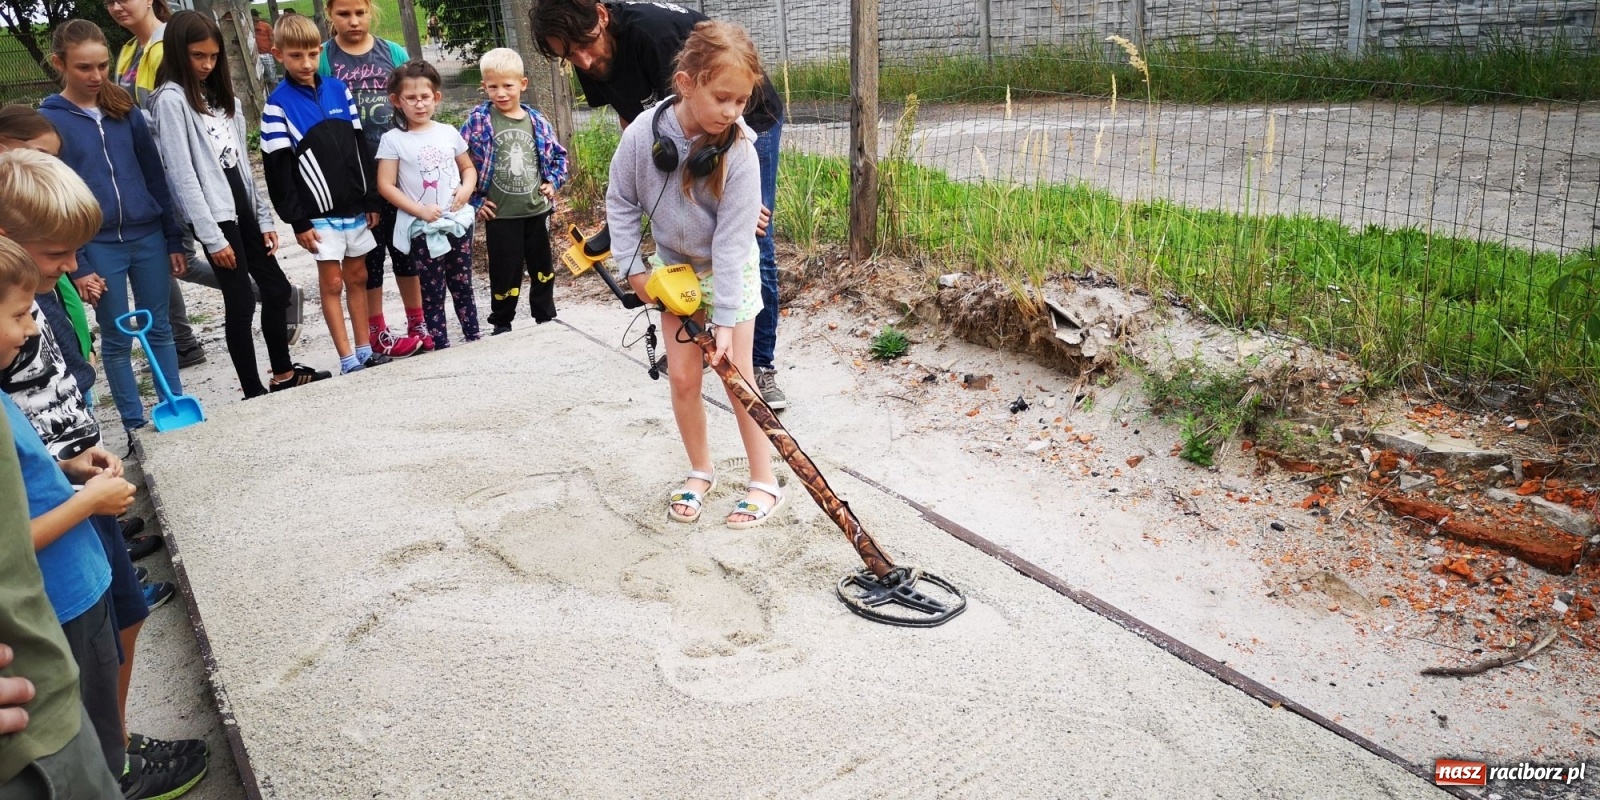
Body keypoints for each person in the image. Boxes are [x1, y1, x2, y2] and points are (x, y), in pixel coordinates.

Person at [0, 152, 210, 800]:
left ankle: (109, 744)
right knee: (82, 663)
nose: (70, 266)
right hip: (58, 536)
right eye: (57, 253)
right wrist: (84, 497)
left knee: (119, 620)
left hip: (71, 494)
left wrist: (69, 465)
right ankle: (108, 763)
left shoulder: (25, 301)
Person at [533, 0, 790, 409]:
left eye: (585, 44)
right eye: (570, 55)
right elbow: (637, 120)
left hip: (745, 121)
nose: (584, 60)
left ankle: (758, 363)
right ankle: (696, 340)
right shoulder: (588, 56)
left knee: (752, 238)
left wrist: (739, 206)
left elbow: (702, 115)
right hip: (688, 133)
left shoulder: (654, 37)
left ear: (601, 15)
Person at [607, 21, 786, 527]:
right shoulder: (642, 136)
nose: (731, 112)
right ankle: (700, 471)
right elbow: (620, 201)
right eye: (722, 98)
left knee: (738, 380)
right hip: (674, 272)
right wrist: (633, 268)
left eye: (741, 101)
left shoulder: (740, 152)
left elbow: (732, 242)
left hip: (729, 272)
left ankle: (764, 481)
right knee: (684, 378)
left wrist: (725, 318)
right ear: (686, 83)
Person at [0, 107, 165, 565]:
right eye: (59, 251)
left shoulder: (33, 293)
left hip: (73, 473)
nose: (73, 265)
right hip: (47, 507)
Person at [151, 11, 330, 397]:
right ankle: (252, 391)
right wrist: (212, 237)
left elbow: (242, 168)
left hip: (242, 207)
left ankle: (283, 374)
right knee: (241, 300)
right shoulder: (170, 101)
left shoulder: (222, 98)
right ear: (178, 52)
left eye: (213, 56)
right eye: (198, 56)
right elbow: (181, 175)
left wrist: (263, 217)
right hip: (215, 216)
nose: (207, 64)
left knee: (277, 289)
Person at [40, 21, 190, 436]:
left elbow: (154, 176)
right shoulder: (49, 121)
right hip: (97, 244)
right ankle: (133, 426)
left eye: (103, 66)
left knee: (160, 327)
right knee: (118, 335)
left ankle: (175, 408)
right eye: (84, 67)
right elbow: (57, 201)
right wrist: (80, 264)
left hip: (148, 236)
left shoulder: (124, 109)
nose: (96, 76)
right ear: (59, 64)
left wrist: (173, 237)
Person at [0, 397, 122, 798]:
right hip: (57, 607)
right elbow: (11, 540)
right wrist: (87, 502)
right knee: (94, 748)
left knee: (101, 728)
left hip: (77, 586)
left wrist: (65, 467)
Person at [263, 12, 392, 375]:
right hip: (318, 216)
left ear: (319, 51)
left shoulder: (339, 90)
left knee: (358, 276)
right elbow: (278, 170)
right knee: (332, 282)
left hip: (355, 208)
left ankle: (365, 350)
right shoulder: (277, 105)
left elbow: (359, 147)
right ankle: (347, 358)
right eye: (295, 56)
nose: (305, 63)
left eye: (311, 54)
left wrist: (370, 198)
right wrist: (298, 220)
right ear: (278, 54)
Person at [321, 0, 427, 356]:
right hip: (355, 176)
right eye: (344, 14)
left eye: (360, 13)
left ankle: (417, 322)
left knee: (406, 249)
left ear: (370, 11)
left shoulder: (393, 53)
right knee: (369, 257)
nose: (353, 21)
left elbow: (412, 106)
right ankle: (377, 330)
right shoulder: (323, 58)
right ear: (330, 14)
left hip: (398, 173)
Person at [462, 47, 568, 335]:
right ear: (484, 86)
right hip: (501, 214)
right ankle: (502, 320)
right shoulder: (478, 121)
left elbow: (559, 158)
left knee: (542, 265)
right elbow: (458, 162)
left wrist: (552, 182)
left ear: (523, 84)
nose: (501, 93)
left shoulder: (537, 122)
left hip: (536, 209)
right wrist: (474, 200)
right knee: (504, 269)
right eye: (493, 87)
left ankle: (544, 314)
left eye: (508, 86)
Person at [376, 60, 481, 349]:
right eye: (411, 98)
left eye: (425, 97)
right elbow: (385, 185)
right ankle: (440, 343)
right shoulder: (393, 140)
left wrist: (466, 189)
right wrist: (419, 210)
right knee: (432, 290)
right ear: (396, 101)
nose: (419, 104)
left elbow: (468, 168)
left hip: (457, 222)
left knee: (462, 283)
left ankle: (474, 337)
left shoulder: (448, 132)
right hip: (423, 228)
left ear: (436, 97)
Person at [252, 9, 276, 84]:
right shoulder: (249, 27)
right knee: (258, 76)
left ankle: (274, 87)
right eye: (255, 16)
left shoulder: (265, 26)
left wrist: (273, 50)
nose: (257, 18)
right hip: (255, 55)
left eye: (257, 16)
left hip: (266, 54)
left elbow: (272, 38)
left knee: (272, 76)